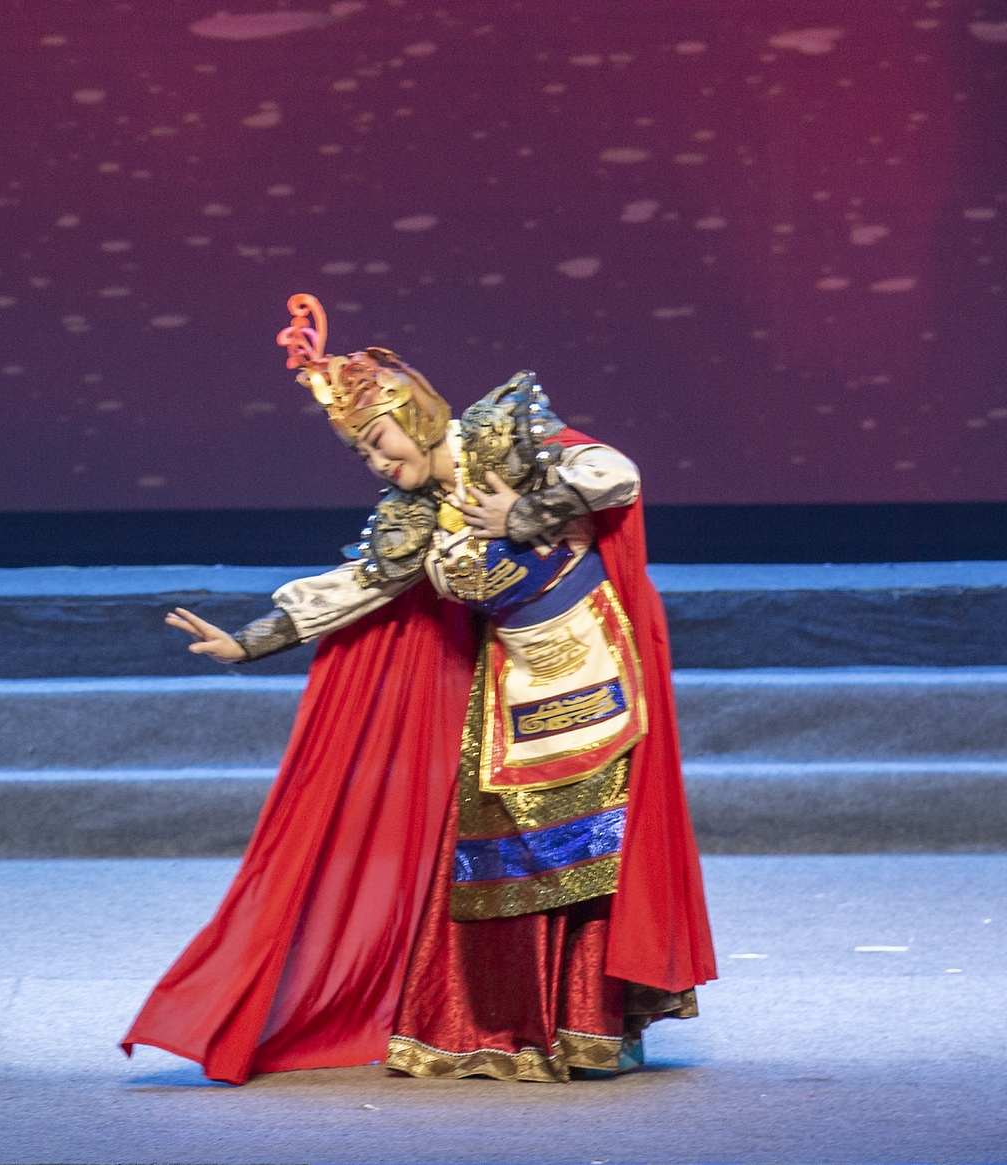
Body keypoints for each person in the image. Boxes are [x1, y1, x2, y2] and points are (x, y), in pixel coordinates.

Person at [122, 294, 714, 1084]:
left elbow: (614, 474)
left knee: (598, 849)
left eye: (378, 440)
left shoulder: (503, 437)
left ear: (414, 412)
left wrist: (524, 511)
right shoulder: (413, 520)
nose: (375, 461)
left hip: (599, 676)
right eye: (361, 454)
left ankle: (597, 1025)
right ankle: (521, 1027)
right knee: (512, 857)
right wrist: (250, 640)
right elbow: (357, 587)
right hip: (515, 696)